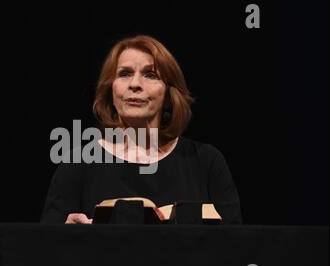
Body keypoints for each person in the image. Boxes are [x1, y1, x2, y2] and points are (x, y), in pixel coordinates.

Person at [40, 35, 242, 224]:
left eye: (150, 75)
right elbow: (44, 250)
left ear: (169, 92)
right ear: (111, 89)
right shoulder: (79, 164)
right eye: (125, 74)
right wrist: (67, 236)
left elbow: (235, 248)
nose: (135, 84)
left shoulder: (206, 162)